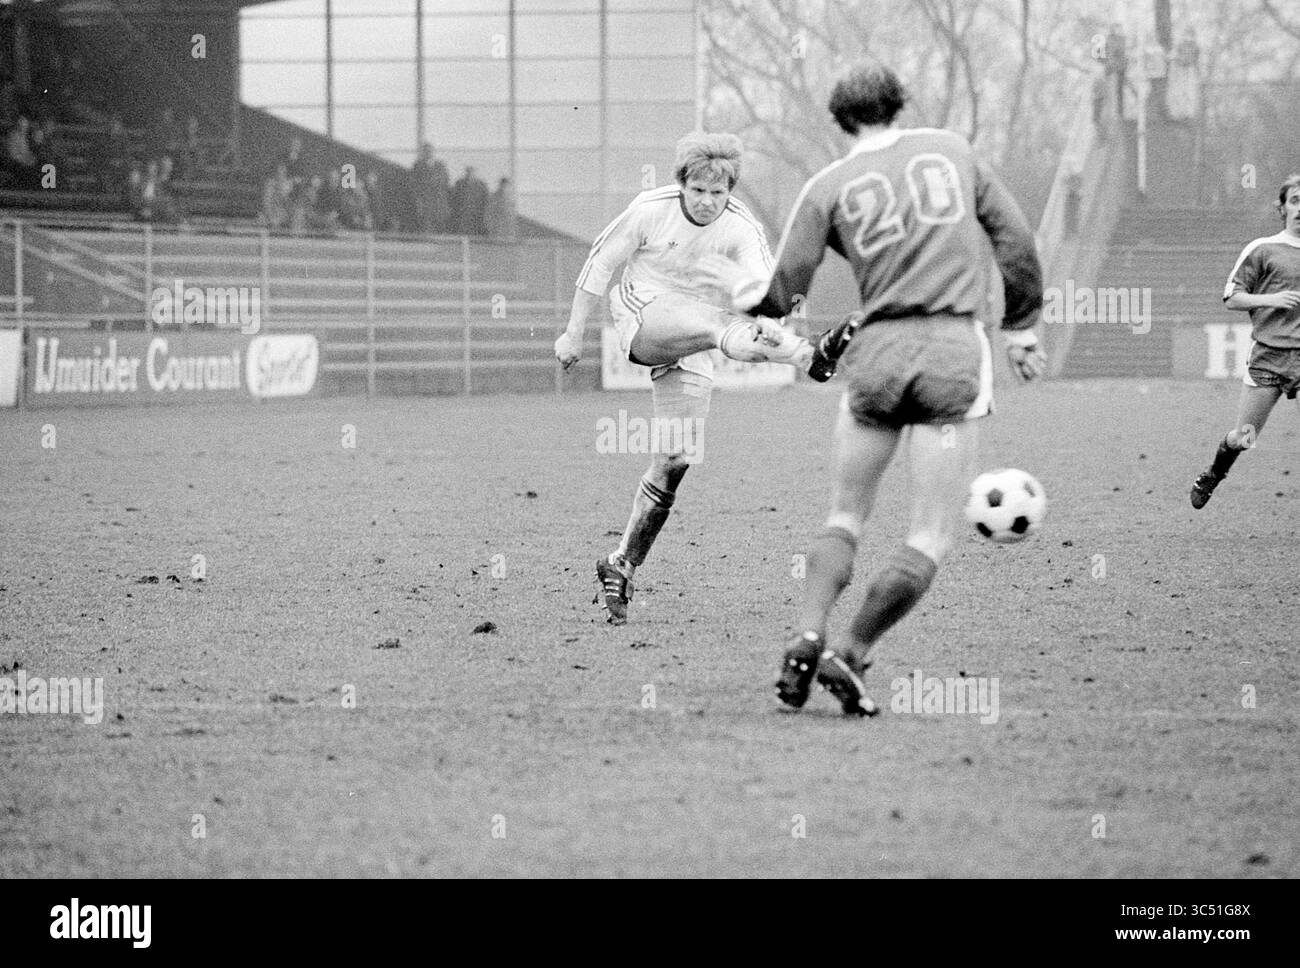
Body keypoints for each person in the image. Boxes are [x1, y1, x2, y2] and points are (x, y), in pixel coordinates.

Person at [698, 63, 1045, 716]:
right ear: (900, 103)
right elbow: (1015, 240)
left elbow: (782, 292)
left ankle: (807, 631)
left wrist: (739, 298)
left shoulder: (827, 186)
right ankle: (851, 650)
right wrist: (1022, 327)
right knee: (932, 533)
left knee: (845, 515)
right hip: (950, 352)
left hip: (875, 356)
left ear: (839, 121)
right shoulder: (952, 151)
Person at [554, 130, 855, 625]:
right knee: (719, 325)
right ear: (682, 184)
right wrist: (573, 333)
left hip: (695, 339)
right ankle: (810, 356)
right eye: (698, 190)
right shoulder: (651, 208)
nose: (708, 201)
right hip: (643, 315)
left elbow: (765, 297)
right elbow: (600, 263)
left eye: (719, 192)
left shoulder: (741, 227)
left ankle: (621, 563)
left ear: (730, 191)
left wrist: (769, 330)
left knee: (675, 461)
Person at [1190, 175, 1300, 509]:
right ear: (1281, 208)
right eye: (1295, 200)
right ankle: (1213, 473)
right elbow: (1232, 297)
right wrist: (1273, 299)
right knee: (1245, 438)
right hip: (1269, 359)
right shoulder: (1263, 249)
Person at [412, 142, 450, 234]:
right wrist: (418, 198)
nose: (428, 153)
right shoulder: (418, 166)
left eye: (430, 151)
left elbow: (445, 181)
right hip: (424, 199)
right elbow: (413, 183)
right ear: (423, 153)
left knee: (439, 221)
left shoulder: (440, 166)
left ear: (433, 152)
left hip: (438, 200)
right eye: (426, 151)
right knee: (425, 222)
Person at [451, 166, 489, 236]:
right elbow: (453, 199)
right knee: (462, 235)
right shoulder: (459, 183)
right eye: (468, 172)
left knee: (475, 235)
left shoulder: (481, 185)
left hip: (476, 215)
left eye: (472, 172)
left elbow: (485, 200)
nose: (470, 174)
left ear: (475, 173)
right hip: (462, 215)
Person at [485, 176, 518, 240]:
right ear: (500, 185)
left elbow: (513, 213)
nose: (504, 187)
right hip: (497, 227)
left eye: (506, 185)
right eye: (503, 185)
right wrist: (489, 226)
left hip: (508, 227)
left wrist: (513, 226)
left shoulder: (511, 197)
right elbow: (488, 212)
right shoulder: (494, 197)